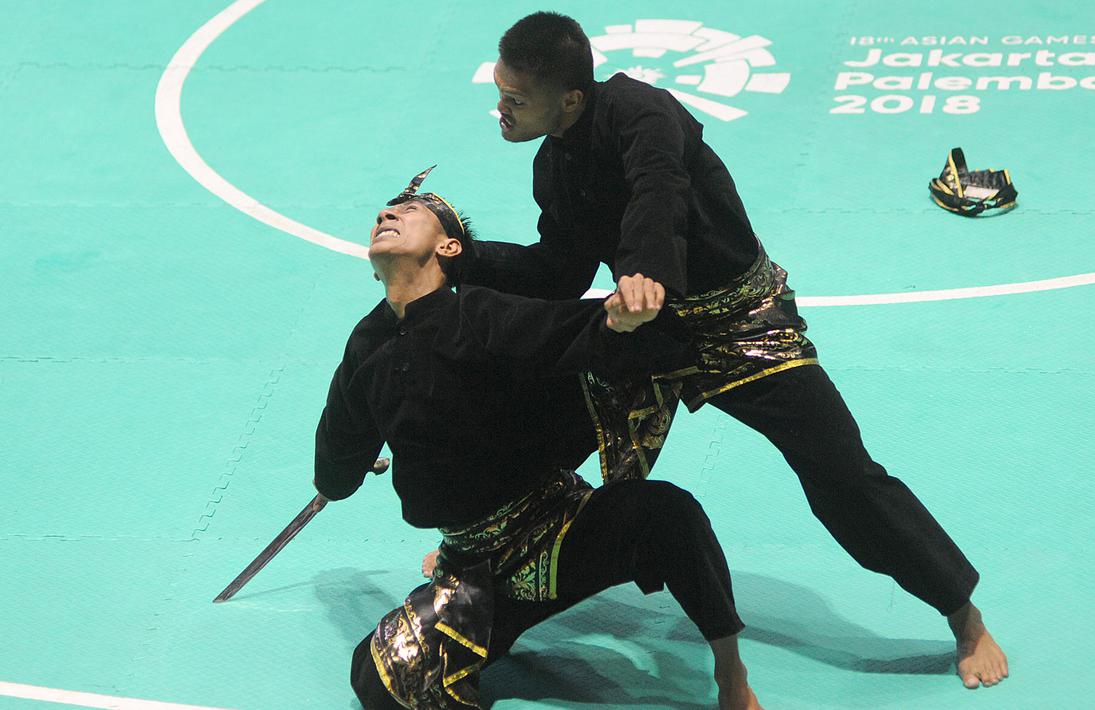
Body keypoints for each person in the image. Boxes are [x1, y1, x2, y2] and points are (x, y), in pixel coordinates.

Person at [462, 11, 1008, 689]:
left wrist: (645, 272)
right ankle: (477, 560)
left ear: (570, 97)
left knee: (840, 473)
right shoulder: (554, 167)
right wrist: (462, 256)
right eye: (499, 92)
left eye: (514, 99)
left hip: (741, 321)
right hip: (650, 330)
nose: (499, 110)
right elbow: (557, 272)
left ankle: (962, 615)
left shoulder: (645, 113)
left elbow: (656, 193)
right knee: (527, 411)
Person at [314, 167, 763, 709]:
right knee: (383, 676)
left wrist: (615, 322)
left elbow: (566, 332)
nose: (387, 215)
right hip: (471, 569)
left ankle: (731, 677)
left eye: (410, 213)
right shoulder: (365, 346)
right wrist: (348, 467)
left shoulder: (478, 313)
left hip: (559, 534)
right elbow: (336, 468)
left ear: (449, 246)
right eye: (383, 213)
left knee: (668, 512)